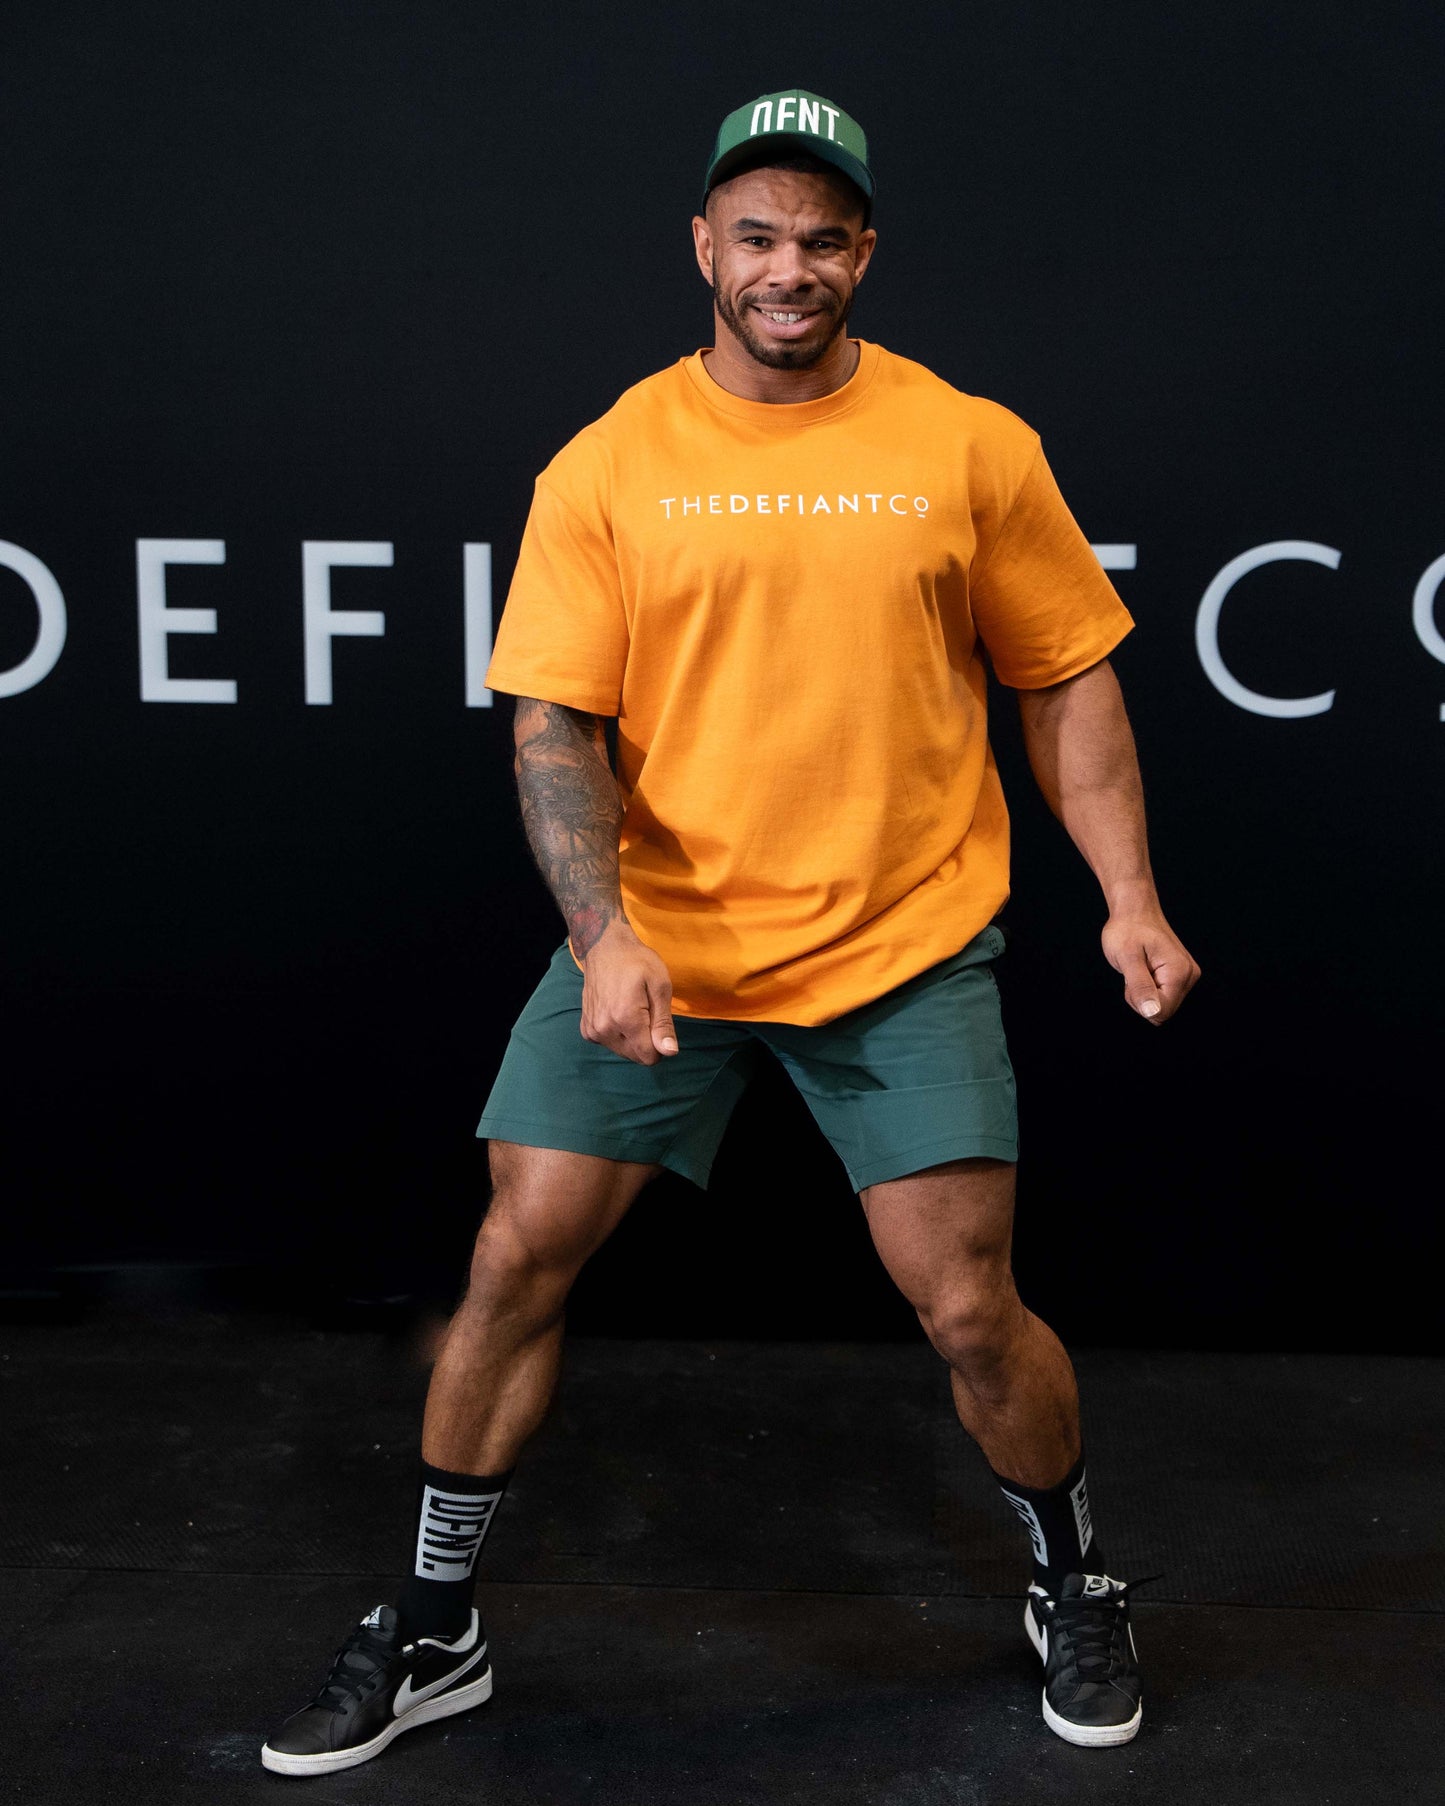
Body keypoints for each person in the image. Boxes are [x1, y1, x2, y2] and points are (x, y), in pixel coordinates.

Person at [261, 87, 1199, 1776]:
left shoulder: (967, 444)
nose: (788, 266)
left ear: (863, 255)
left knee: (970, 1305)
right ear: (703, 248)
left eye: (821, 237)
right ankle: (432, 1621)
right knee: (510, 1257)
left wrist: (1126, 896)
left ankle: (1072, 1577)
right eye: (756, 234)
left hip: (901, 941)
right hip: (660, 940)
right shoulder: (611, 462)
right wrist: (601, 930)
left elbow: (1063, 674)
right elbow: (555, 724)